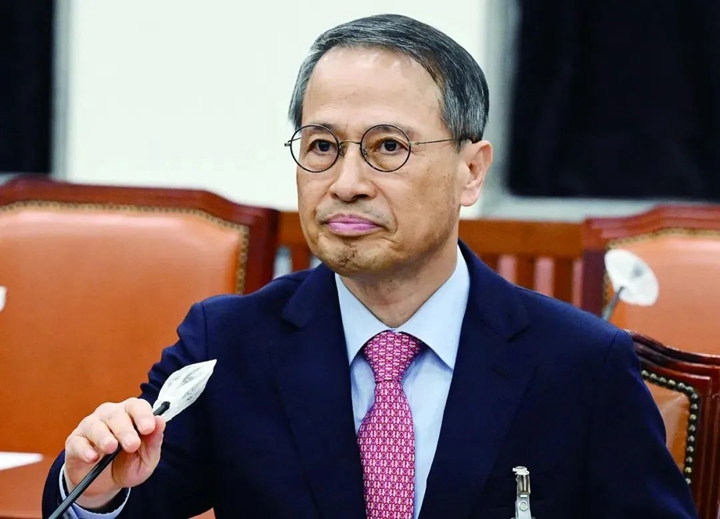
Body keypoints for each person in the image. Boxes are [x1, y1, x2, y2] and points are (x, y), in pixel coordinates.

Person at [43, 13, 697, 519]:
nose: (347, 183)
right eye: (322, 146)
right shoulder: (231, 343)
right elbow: (120, 500)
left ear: (471, 171)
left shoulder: (579, 364)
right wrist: (93, 486)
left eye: (387, 147)